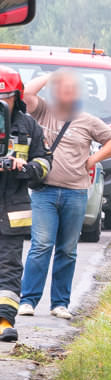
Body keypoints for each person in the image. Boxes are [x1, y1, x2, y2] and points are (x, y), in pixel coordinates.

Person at [18, 69, 111, 320]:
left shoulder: (87, 120)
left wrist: (93, 159)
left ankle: (60, 303)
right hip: (44, 191)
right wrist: (52, 76)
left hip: (75, 193)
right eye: (62, 88)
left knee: (67, 249)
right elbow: (27, 93)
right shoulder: (44, 111)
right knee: (41, 246)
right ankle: (28, 300)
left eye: (71, 89)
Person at [0, 66, 51, 341]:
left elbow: (44, 165)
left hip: (12, 213)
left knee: (9, 268)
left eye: (5, 97)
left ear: (16, 96)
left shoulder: (29, 126)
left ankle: (4, 322)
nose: (1, 102)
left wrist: (23, 168)